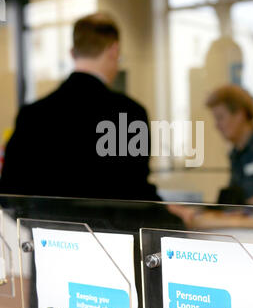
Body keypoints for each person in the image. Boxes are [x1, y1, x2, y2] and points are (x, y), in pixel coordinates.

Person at [0, 12, 161, 201]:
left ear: (72, 53)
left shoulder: (32, 114)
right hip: (110, 230)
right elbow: (135, 192)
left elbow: (11, 191)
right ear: (114, 51)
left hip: (44, 230)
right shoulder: (129, 113)